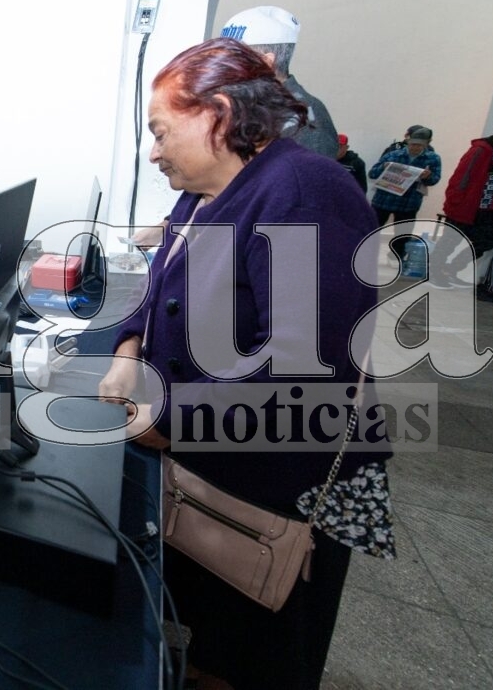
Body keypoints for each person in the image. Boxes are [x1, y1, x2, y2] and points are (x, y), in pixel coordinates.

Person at [98, 38, 392, 690]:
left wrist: (168, 417)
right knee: (207, 636)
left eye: (160, 132)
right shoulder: (201, 193)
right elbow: (159, 284)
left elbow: (304, 368)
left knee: (255, 655)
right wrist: (126, 350)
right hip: (212, 471)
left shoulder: (305, 191)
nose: (153, 151)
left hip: (278, 483)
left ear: (220, 114)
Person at [220, 5, 340, 158]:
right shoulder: (246, 104)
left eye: (233, 57)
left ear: (266, 61)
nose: (222, 64)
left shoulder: (306, 121)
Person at [430, 116, 493, 287]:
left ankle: (451, 270)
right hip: (466, 206)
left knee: (486, 242)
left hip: (489, 209)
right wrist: (455, 201)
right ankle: (434, 272)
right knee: (451, 240)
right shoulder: (481, 149)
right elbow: (461, 177)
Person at [369, 126, 442, 264]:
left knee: (403, 233)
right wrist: (383, 167)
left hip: (409, 203)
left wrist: (428, 176)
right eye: (412, 144)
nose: (415, 147)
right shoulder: (393, 155)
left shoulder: (432, 158)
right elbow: (372, 174)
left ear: (427, 143)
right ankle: (366, 254)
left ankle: (395, 257)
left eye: (419, 145)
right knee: (372, 229)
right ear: (408, 141)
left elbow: (435, 180)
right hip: (384, 200)